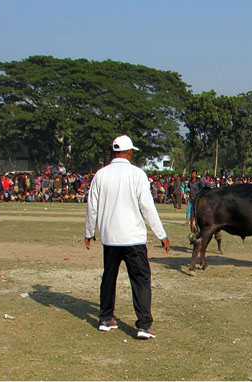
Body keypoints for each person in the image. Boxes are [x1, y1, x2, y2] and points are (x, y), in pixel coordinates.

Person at [85, 135, 171, 340]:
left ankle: (105, 318)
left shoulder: (101, 174)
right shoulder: (137, 174)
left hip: (110, 237)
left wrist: (89, 232)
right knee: (140, 280)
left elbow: (92, 206)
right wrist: (161, 234)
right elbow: (147, 207)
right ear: (130, 152)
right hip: (133, 238)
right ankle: (143, 325)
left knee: (109, 277)